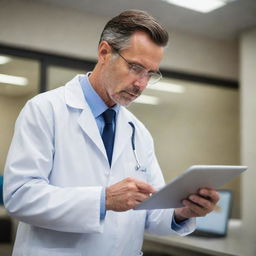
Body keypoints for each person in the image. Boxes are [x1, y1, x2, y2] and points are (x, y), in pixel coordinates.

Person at [3, 10, 219, 256]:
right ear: (104, 52)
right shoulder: (45, 110)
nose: (141, 84)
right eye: (135, 67)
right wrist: (103, 200)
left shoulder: (138, 132)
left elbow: (150, 209)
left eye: (150, 73)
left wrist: (182, 212)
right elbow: (19, 197)